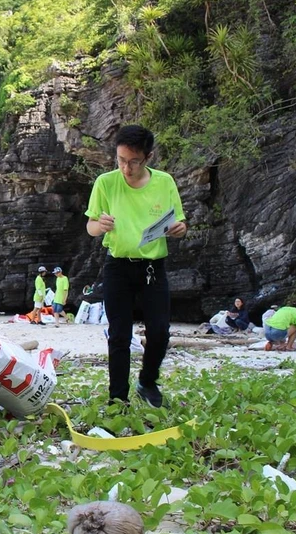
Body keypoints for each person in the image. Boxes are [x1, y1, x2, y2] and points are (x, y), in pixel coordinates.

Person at [85, 124, 188, 409]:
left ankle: (147, 381)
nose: (126, 168)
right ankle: (118, 397)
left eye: (133, 161)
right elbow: (91, 226)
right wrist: (99, 225)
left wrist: (179, 229)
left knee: (160, 331)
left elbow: (178, 222)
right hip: (117, 267)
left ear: (148, 158)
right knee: (120, 333)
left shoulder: (165, 182)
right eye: (120, 160)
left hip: (153, 267)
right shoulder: (106, 182)